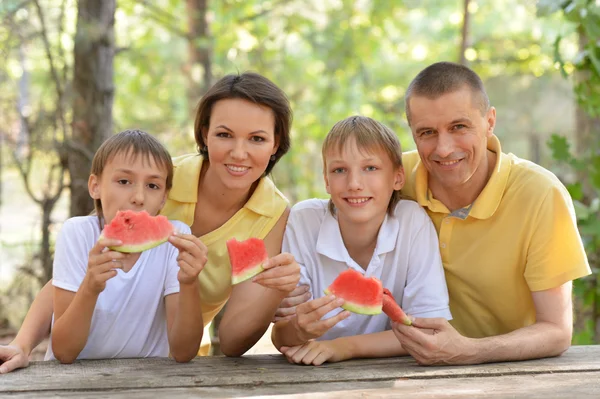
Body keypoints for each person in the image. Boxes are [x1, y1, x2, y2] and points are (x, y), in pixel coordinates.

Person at [276, 62, 591, 366]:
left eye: (459, 127)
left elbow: (557, 332)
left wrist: (468, 351)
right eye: (426, 132)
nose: (443, 149)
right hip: (415, 363)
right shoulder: (393, 179)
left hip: (509, 365)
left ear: (490, 121)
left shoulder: (540, 195)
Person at [0, 72, 301, 373]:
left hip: (176, 358)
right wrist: (23, 344)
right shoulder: (159, 179)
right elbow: (76, 269)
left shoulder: (272, 214)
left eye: (257, 139)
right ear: (205, 134)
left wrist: (274, 292)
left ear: (276, 144)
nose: (239, 152)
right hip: (89, 355)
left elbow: (233, 341)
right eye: (224, 134)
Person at [271, 116, 451, 366]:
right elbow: (282, 335)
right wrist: (298, 330)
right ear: (326, 180)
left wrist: (342, 348)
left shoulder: (412, 222)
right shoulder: (304, 222)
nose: (354, 184)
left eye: (370, 168)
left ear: (398, 178)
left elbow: (427, 331)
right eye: (339, 170)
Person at [47, 130, 205, 363]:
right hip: (74, 381)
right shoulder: (77, 234)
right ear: (95, 186)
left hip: (146, 381)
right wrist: (90, 287)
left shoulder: (176, 238)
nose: (139, 197)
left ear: (164, 198)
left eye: (153, 186)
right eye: (124, 181)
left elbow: (184, 352)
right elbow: (64, 352)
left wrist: (189, 283)